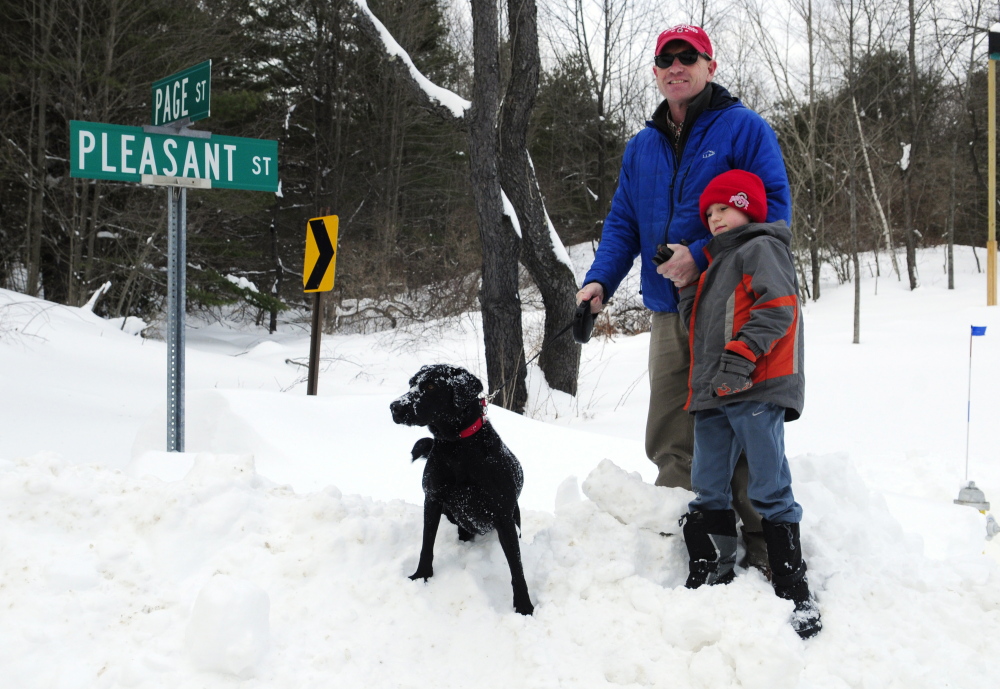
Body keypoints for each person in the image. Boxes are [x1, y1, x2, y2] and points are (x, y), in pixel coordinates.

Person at [576, 24, 791, 571]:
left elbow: (773, 216)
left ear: (710, 66)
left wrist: (701, 252)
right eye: (665, 59)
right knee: (672, 430)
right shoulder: (643, 146)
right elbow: (623, 222)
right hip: (670, 311)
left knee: (739, 422)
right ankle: (685, 540)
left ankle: (764, 547)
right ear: (655, 72)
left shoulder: (745, 130)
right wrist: (600, 280)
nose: (676, 66)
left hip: (729, 308)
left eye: (688, 56)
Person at [677, 169, 820, 639]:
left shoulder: (762, 247)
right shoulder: (716, 264)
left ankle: (793, 584)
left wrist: (741, 360)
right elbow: (698, 331)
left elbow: (778, 307)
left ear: (748, 207)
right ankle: (712, 568)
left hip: (753, 386)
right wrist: (684, 288)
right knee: (708, 481)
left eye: (724, 208)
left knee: (768, 481)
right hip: (714, 392)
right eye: (710, 213)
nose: (715, 218)